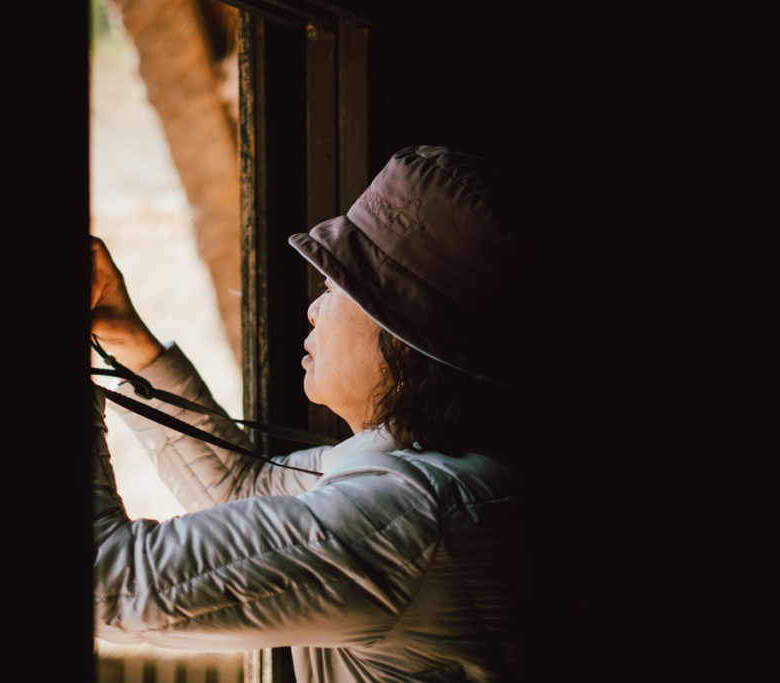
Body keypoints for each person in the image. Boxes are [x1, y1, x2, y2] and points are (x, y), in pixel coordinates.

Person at [91, 146, 564, 682]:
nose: (314, 308)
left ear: (404, 337)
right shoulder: (452, 473)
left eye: (333, 287)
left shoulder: (407, 512)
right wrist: (130, 343)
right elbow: (241, 488)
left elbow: (111, 585)